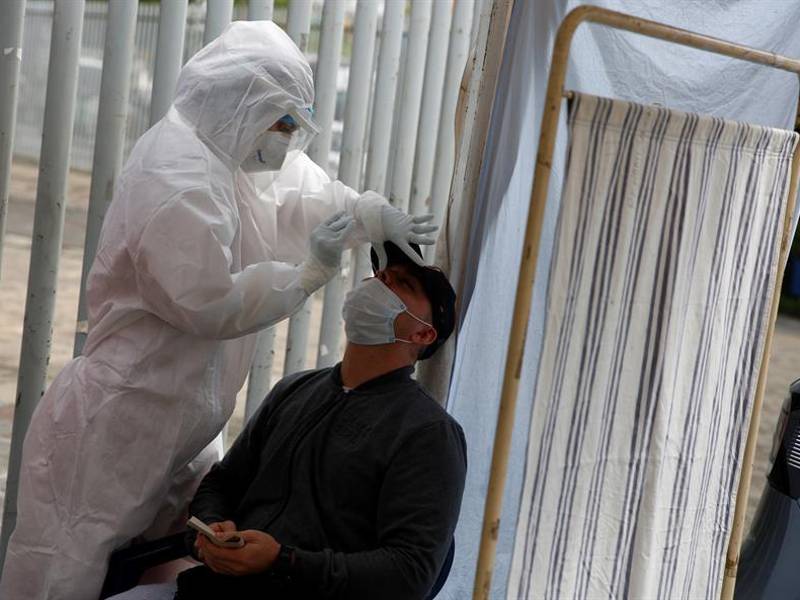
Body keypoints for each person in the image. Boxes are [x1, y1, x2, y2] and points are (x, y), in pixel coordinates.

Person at [0, 22, 437, 600]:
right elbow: (208, 302)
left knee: (172, 558)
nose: (285, 138)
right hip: (123, 419)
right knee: (65, 569)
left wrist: (368, 212)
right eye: (281, 122)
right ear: (244, 105)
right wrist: (307, 274)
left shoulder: (232, 151)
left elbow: (302, 196)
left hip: (184, 417)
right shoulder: (178, 180)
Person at [110, 242, 466, 600]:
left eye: (401, 283)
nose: (380, 282)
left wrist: (283, 561)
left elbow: (409, 573)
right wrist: (210, 530)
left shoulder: (428, 433)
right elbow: (222, 483)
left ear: (423, 334)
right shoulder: (294, 389)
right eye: (381, 274)